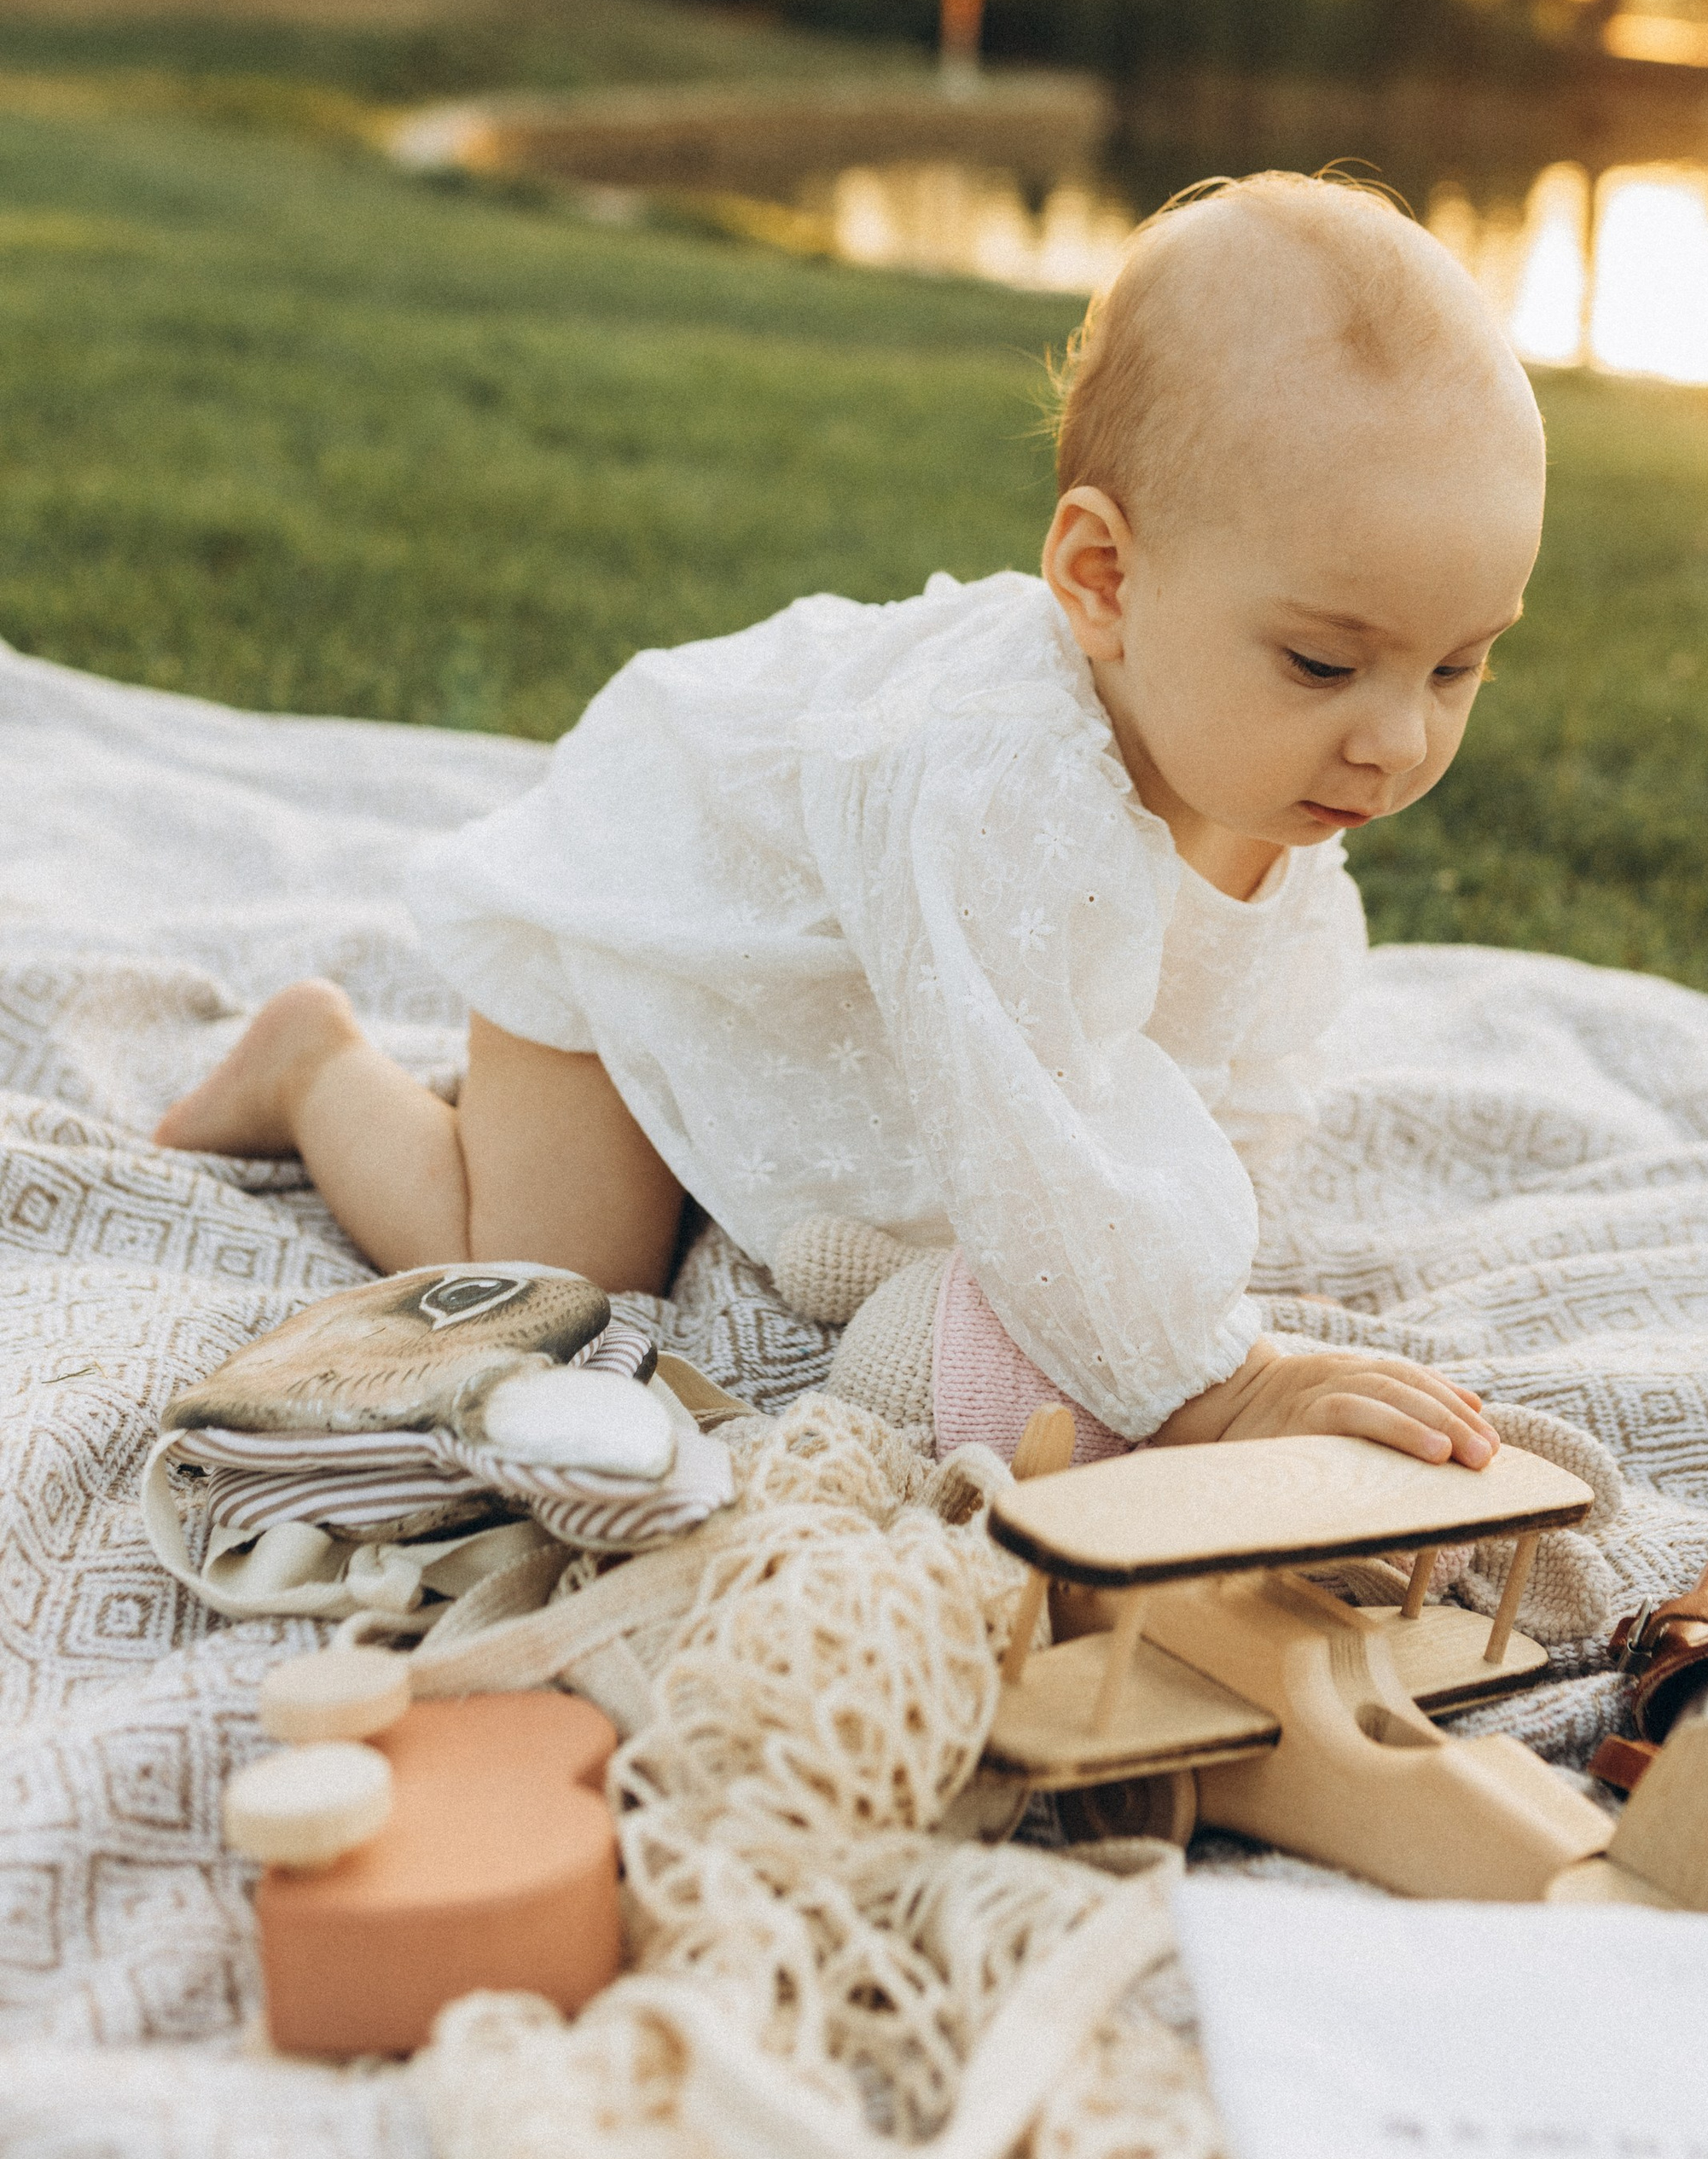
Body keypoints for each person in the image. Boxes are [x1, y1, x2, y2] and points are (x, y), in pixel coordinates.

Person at [159, 175, 1544, 1466]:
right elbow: (1028, 1123)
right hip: (650, 915)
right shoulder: (1000, 784)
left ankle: (695, 1131)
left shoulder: (1275, 759)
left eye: (1457, 665)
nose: (1397, 738)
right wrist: (1204, 1380)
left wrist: (1197, 1261)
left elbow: (1232, 1050)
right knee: (559, 1285)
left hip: (812, 1001)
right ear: (1104, 577)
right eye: (1324, 662)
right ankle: (314, 1066)